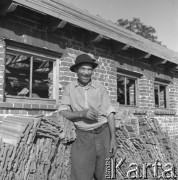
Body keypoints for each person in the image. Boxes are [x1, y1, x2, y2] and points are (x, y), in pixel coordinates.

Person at [58, 54, 117, 180]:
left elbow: (110, 112)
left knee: (107, 173)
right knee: (81, 175)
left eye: (89, 69)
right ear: (76, 71)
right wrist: (82, 114)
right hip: (83, 136)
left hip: (103, 133)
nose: (86, 73)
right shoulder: (70, 88)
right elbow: (63, 111)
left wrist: (113, 139)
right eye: (83, 69)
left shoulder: (99, 87)